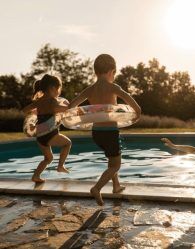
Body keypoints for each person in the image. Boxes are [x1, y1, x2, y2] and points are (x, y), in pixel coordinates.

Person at [69, 54, 141, 205]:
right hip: (110, 132)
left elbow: (72, 106)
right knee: (116, 164)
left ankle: (116, 186)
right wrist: (137, 112)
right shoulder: (113, 87)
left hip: (96, 133)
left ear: (95, 72)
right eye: (114, 74)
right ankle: (97, 188)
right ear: (111, 71)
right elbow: (128, 99)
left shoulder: (89, 90)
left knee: (111, 159)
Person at [22, 74, 71, 183]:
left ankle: (36, 176)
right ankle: (60, 166)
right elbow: (57, 108)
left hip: (40, 136)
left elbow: (25, 110)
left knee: (48, 158)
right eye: (59, 89)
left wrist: (35, 113)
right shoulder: (52, 100)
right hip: (50, 134)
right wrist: (69, 108)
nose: (59, 92)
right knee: (68, 143)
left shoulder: (39, 101)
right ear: (53, 88)